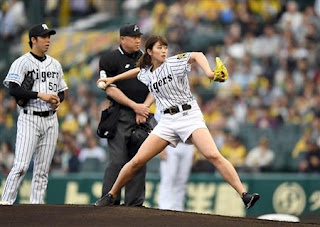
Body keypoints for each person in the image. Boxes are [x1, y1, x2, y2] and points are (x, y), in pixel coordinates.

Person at [97, 35, 260, 209]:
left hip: (189, 115)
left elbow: (197, 55)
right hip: (167, 121)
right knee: (137, 161)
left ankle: (244, 194)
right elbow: (137, 71)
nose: (164, 50)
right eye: (159, 48)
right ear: (150, 52)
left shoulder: (173, 62)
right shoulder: (146, 73)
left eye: (165, 47)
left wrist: (210, 73)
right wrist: (113, 80)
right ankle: (111, 194)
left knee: (213, 154)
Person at [1, 23, 68, 205]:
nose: (48, 40)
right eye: (44, 37)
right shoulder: (22, 62)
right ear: (33, 40)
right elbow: (13, 90)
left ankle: (36, 208)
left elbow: (62, 90)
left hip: (51, 120)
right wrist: (40, 95)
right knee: (21, 166)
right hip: (29, 117)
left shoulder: (55, 64)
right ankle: (5, 203)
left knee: (42, 170)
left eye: (49, 37)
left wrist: (58, 99)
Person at [94, 24, 154, 207]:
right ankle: (110, 200)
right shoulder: (109, 59)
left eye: (139, 37)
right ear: (122, 39)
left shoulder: (146, 59)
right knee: (118, 159)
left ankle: (134, 204)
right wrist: (135, 106)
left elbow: (155, 84)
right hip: (120, 115)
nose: (138, 40)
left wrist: (143, 107)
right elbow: (109, 88)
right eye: (133, 37)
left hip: (143, 115)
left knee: (139, 159)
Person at [158, 143, 194, 211]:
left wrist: (195, 146)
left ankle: (178, 208)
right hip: (171, 143)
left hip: (188, 145)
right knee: (168, 178)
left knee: (182, 180)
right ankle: (164, 207)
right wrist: (161, 148)